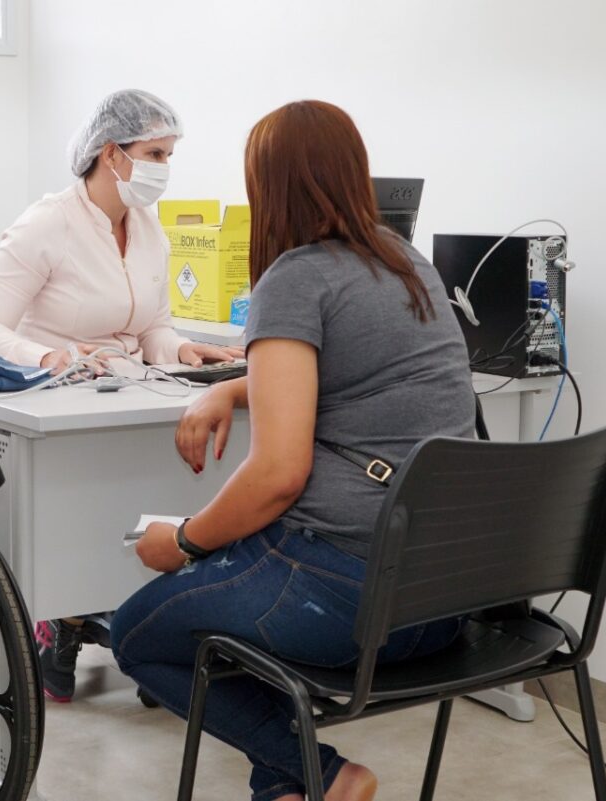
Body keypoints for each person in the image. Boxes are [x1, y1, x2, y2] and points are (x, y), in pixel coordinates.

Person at [111, 100, 476, 801]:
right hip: (443, 595)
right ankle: (286, 786)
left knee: (144, 631)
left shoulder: (296, 278)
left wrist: (184, 541)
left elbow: (279, 476)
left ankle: (329, 775)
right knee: (235, 594)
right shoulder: (405, 263)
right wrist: (231, 390)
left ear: (268, 189)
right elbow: (337, 374)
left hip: (347, 598)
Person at [0, 88, 241, 702]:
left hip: (127, 393)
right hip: (55, 406)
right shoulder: (47, 223)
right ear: (111, 153)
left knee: (177, 483)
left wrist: (183, 350)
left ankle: (144, 626)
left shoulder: (148, 228)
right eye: (155, 153)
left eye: (170, 154)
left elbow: (152, 326)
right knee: (85, 513)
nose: (164, 169)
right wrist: (53, 357)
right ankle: (57, 619)